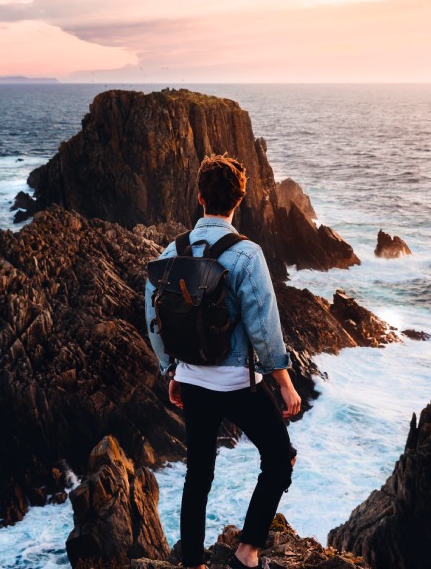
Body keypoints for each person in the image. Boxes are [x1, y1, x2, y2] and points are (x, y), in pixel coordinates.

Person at [144, 154, 301, 569]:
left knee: (198, 475)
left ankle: (193, 563)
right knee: (280, 457)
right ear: (239, 200)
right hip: (236, 384)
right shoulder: (247, 255)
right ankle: (247, 553)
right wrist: (283, 381)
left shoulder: (171, 252)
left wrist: (171, 371)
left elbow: (153, 316)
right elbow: (263, 325)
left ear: (199, 198)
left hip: (193, 381)